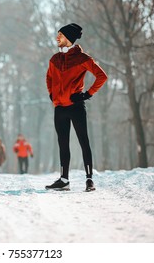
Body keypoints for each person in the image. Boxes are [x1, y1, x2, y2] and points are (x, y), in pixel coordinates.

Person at [45, 23, 108, 191]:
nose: (57, 37)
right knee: (63, 144)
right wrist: (52, 95)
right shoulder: (54, 59)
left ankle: (89, 179)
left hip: (76, 107)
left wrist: (87, 94)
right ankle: (64, 180)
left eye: (60, 35)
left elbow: (102, 76)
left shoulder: (82, 58)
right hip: (60, 108)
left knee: (83, 142)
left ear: (69, 38)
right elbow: (49, 78)